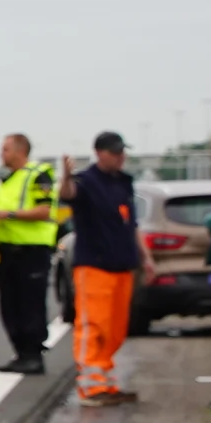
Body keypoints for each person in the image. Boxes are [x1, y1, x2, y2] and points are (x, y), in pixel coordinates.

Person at [61, 131, 142, 405]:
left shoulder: (123, 183)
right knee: (93, 325)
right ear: (100, 153)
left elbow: (132, 224)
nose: (121, 157)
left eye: (122, 151)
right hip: (94, 266)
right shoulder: (86, 182)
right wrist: (65, 178)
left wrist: (146, 258)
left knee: (116, 328)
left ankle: (105, 381)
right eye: (116, 152)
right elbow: (68, 194)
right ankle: (90, 387)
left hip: (122, 265)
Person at [0, 132, 58, 374]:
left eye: (6, 149)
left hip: (31, 251)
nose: (2, 154)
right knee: (10, 306)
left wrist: (9, 215)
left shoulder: (38, 175)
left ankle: (33, 354)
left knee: (30, 305)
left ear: (20, 151)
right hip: (8, 251)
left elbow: (43, 211)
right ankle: (21, 353)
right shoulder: (8, 180)